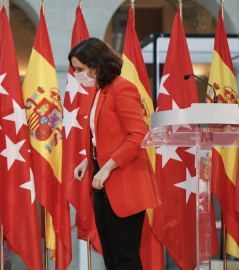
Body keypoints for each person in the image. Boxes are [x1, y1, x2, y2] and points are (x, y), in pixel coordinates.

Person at [69, 37, 160, 270]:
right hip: (102, 179)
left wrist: (107, 166)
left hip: (124, 180)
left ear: (96, 65)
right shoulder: (100, 90)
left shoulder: (122, 87)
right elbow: (106, 136)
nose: (77, 74)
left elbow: (138, 135)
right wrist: (88, 161)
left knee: (125, 257)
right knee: (110, 256)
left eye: (80, 69)